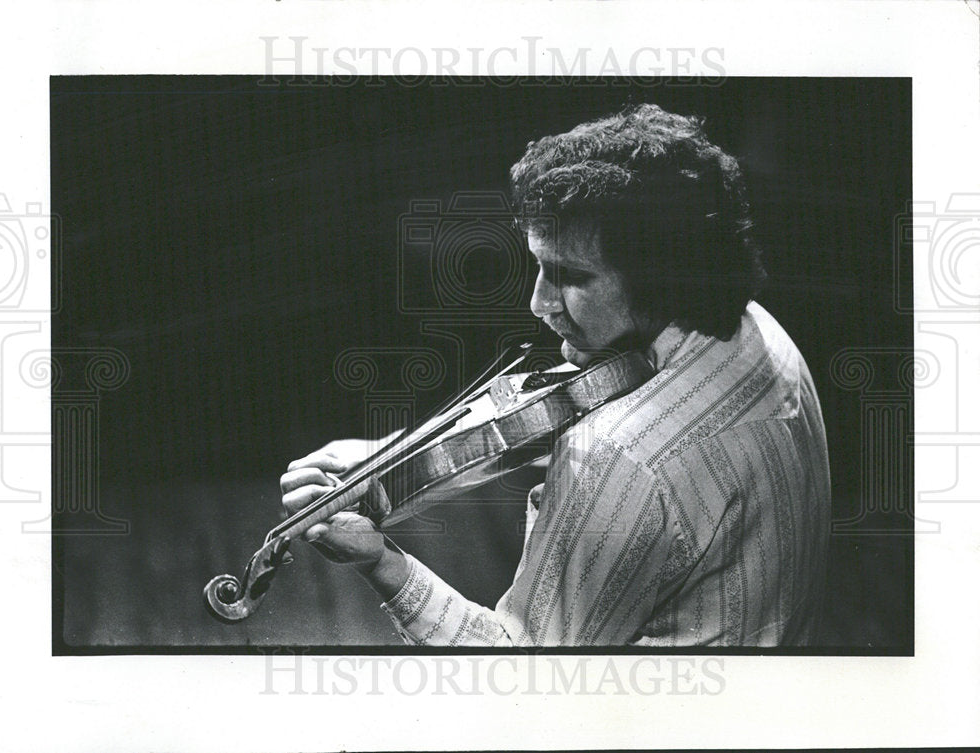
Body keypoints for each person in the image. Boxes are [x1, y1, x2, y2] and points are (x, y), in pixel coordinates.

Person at [280, 104, 831, 646]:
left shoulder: (614, 457)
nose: (539, 302)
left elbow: (522, 672)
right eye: (541, 266)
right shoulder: (756, 328)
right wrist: (394, 453)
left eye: (570, 276)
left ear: (661, 277)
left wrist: (382, 562)